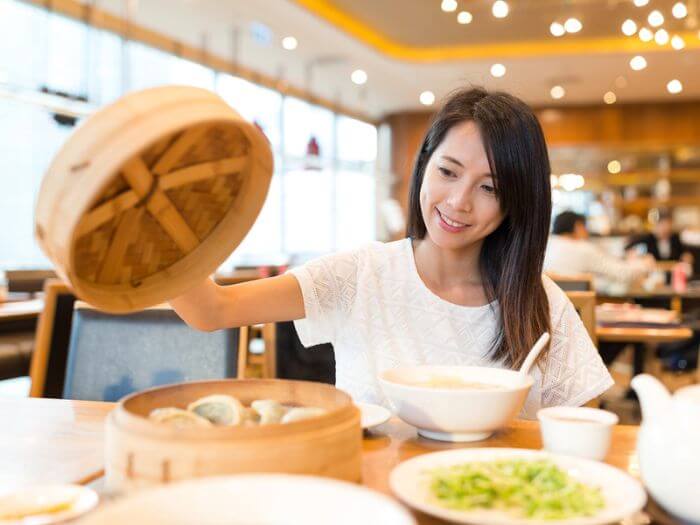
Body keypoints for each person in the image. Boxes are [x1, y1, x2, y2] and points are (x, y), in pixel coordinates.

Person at [170, 87, 613, 418]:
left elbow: (583, 425)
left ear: (517, 200)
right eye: (448, 171)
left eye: (489, 188)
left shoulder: (540, 302)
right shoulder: (361, 274)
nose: (459, 201)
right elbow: (210, 309)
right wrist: (164, 225)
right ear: (424, 164)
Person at [544, 211, 653, 293]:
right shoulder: (582, 248)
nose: (586, 231)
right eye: (584, 227)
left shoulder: (546, 247)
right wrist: (644, 265)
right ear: (577, 227)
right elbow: (623, 273)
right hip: (582, 312)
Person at [625, 209, 693, 263]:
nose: (665, 229)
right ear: (656, 225)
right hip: (654, 273)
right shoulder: (649, 238)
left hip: (673, 272)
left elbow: (686, 253)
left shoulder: (675, 238)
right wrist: (641, 257)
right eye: (662, 225)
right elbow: (629, 247)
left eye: (668, 225)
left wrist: (686, 257)